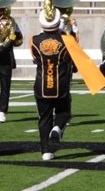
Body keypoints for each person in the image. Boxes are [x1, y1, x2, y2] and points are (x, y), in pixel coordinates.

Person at [30, 9, 73, 161]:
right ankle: (57, 127)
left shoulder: (34, 40)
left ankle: (45, 151)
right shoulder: (66, 40)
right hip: (60, 84)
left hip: (41, 85)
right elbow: (71, 59)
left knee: (44, 118)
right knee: (64, 112)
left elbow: (35, 58)